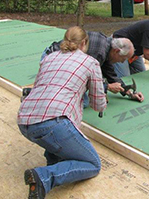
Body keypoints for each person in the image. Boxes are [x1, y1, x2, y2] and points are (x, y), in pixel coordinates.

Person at [18, 26, 107, 199]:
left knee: (56, 139)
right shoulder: (89, 62)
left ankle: (53, 164)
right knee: (92, 163)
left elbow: (37, 86)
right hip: (54, 121)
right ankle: (44, 176)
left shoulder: (49, 58)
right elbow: (97, 103)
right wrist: (102, 103)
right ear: (84, 43)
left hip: (25, 120)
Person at [42, 31, 144, 103]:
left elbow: (110, 74)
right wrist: (107, 87)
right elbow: (86, 79)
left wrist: (129, 93)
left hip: (63, 62)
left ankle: (46, 92)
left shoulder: (107, 47)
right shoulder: (99, 53)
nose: (122, 62)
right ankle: (41, 94)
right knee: (84, 102)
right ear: (117, 51)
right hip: (53, 62)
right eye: (123, 58)